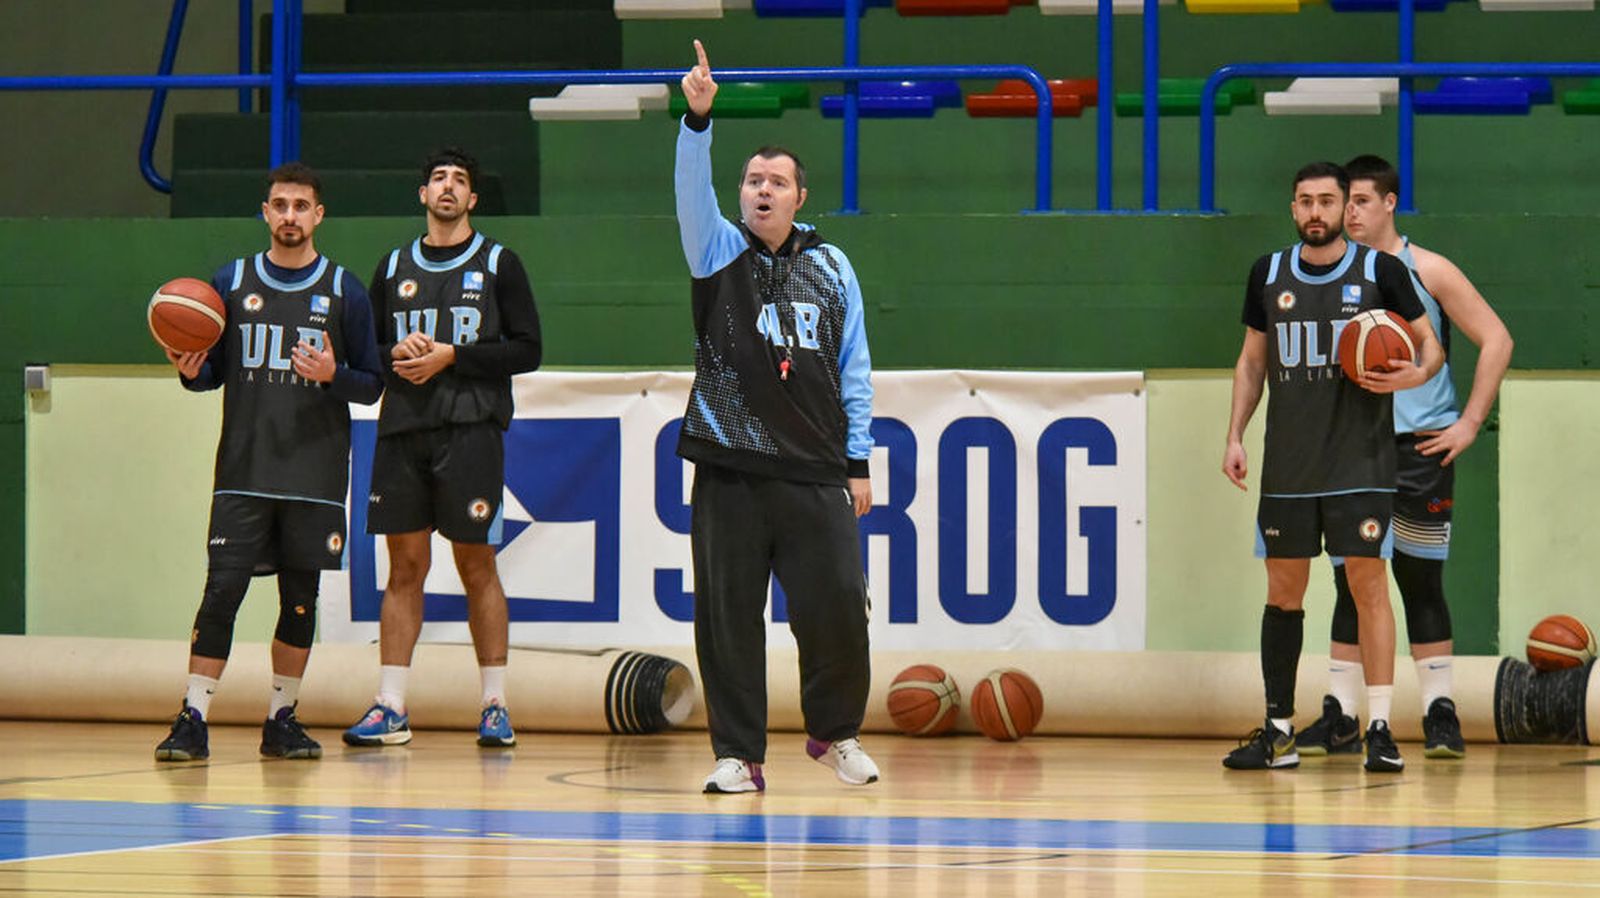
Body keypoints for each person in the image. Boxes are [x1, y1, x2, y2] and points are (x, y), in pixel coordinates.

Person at [677, 40, 878, 794]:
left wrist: (858, 460)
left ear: (800, 196)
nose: (763, 190)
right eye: (752, 180)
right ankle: (738, 755)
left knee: (836, 613)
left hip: (817, 468)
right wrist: (697, 122)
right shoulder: (715, 252)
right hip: (729, 464)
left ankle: (835, 735)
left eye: (777, 182)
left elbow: (855, 365)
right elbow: (689, 192)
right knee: (728, 620)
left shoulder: (833, 267)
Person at [155, 162, 384, 762]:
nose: (289, 216)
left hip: (314, 477)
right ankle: (192, 717)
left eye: (301, 206)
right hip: (244, 472)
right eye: (279, 205)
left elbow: (372, 385)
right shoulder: (230, 282)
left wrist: (335, 375)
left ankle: (281, 718)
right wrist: (190, 371)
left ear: (318, 215)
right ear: (265, 212)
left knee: (299, 600)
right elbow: (211, 372)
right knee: (221, 593)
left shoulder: (345, 290)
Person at [1221, 161, 1443, 774]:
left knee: (1367, 586)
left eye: (1326, 201)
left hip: (1361, 463)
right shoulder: (1268, 273)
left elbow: (1432, 347)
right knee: (1283, 594)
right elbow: (1250, 363)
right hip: (1289, 466)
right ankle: (1279, 731)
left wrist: (1416, 374)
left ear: (1347, 207)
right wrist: (1235, 434)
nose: (1315, 212)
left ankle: (1378, 728)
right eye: (1304, 201)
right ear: (1293, 208)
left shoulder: (1382, 271)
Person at [1294, 155, 1514, 761]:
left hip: (1420, 445)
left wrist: (1470, 422)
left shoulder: (1428, 269)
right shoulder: (1336, 273)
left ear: (1389, 203)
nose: (1350, 212)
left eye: (1360, 200)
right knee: (1349, 580)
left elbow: (1497, 337)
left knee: (1420, 578)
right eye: (1345, 202)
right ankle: (1341, 714)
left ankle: (1439, 710)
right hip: (1351, 447)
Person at [343, 147, 542, 749]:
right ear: (423, 195)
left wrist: (453, 356)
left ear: (472, 200)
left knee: (477, 564)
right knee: (404, 569)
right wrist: (394, 356)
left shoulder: (500, 263)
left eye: (459, 181)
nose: (448, 187)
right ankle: (391, 704)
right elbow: (367, 355)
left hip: (471, 429)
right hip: (403, 429)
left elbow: (528, 349)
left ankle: (494, 705)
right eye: (438, 179)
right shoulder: (392, 265)